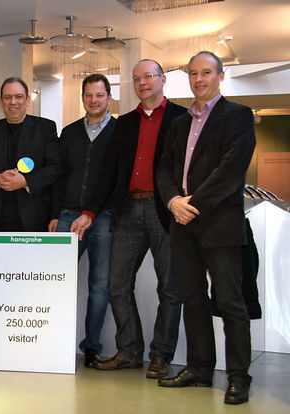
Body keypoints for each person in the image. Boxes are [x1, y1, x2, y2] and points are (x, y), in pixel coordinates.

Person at [72, 59, 185, 379]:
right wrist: (90, 212)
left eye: (148, 77)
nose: (143, 83)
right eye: (136, 79)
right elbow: (108, 173)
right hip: (128, 211)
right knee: (116, 285)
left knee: (170, 289)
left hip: (166, 211)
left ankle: (161, 355)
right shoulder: (124, 124)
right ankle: (130, 351)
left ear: (162, 80)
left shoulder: (180, 118)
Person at [156, 51, 256, 405]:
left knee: (230, 304)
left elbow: (230, 171)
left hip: (219, 226)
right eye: (194, 73)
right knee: (193, 301)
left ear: (221, 75)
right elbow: (164, 170)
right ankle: (200, 368)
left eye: (207, 73)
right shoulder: (180, 122)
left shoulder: (239, 116)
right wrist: (172, 202)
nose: (200, 79)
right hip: (181, 226)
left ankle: (239, 377)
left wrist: (190, 205)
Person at [50, 74, 117, 368]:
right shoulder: (70, 132)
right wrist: (53, 214)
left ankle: (91, 346)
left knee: (100, 286)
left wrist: (91, 212)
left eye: (99, 95)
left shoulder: (119, 131)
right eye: (89, 95)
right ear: (82, 97)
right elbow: (58, 176)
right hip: (66, 215)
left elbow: (116, 180)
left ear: (108, 97)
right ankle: (51, 341)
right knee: (55, 281)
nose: (94, 100)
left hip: (103, 218)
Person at [0, 77, 62, 231]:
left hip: (35, 218)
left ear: (27, 100)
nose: (13, 102)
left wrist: (26, 181)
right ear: (1, 102)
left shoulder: (45, 128)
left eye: (19, 97)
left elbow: (56, 167)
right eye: (8, 97)